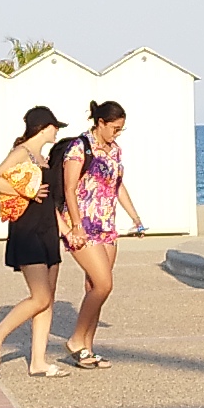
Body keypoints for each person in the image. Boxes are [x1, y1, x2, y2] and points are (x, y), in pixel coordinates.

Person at [0, 108, 66, 378]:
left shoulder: (44, 158)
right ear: (43, 127)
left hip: (48, 230)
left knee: (48, 299)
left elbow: (50, 201)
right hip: (28, 230)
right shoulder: (22, 152)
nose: (56, 132)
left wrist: (65, 230)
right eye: (55, 127)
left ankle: (38, 362)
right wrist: (26, 190)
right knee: (40, 296)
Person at [66, 101, 141, 365]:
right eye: (114, 128)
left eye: (121, 129)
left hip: (107, 225)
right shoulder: (80, 147)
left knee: (93, 287)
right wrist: (76, 225)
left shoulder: (115, 150)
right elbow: (69, 188)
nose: (117, 133)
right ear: (101, 123)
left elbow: (117, 185)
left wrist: (135, 217)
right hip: (83, 225)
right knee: (104, 284)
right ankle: (76, 339)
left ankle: (87, 347)